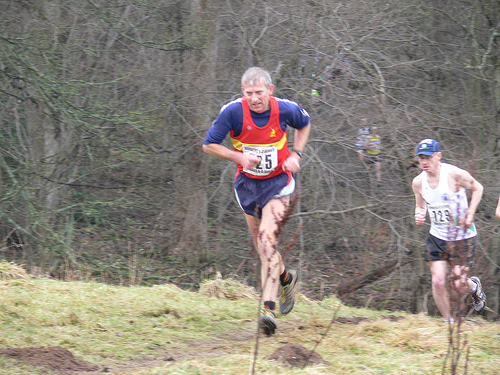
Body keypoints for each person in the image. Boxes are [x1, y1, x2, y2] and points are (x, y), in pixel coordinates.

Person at [202, 67, 311, 335]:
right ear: (243, 92)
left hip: (278, 184)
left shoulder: (285, 109)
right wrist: (237, 157)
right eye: (249, 93)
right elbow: (209, 145)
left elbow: (304, 123)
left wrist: (296, 154)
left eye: (259, 93)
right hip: (248, 186)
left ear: (270, 91)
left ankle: (268, 311)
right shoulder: (232, 112)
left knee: (265, 242)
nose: (254, 98)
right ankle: (287, 278)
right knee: (264, 247)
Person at [412, 139, 486, 323]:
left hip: (463, 236)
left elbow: (478, 188)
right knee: (437, 281)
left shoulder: (454, 174)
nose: (424, 162)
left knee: (458, 282)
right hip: (437, 236)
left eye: (428, 157)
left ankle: (474, 286)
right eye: (421, 158)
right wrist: (419, 214)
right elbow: (420, 206)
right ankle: (448, 322)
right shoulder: (418, 182)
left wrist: (470, 213)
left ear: (439, 156)